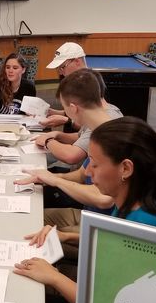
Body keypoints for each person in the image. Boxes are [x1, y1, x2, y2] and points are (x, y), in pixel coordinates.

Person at [13, 116, 156, 303]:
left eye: (96, 165)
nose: (88, 172)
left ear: (125, 169)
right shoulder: (135, 205)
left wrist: (53, 277)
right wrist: (67, 235)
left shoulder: (142, 228)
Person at [16, 69, 117, 231]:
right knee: (26, 219)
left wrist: (56, 181)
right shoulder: (99, 132)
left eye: (63, 107)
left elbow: (104, 199)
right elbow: (81, 174)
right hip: (89, 213)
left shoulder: (111, 138)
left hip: (107, 227)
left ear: (73, 108)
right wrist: (48, 177)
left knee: (29, 229)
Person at [40, 42, 88, 129]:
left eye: (62, 67)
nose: (60, 72)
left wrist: (66, 121)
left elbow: (93, 127)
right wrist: (51, 112)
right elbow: (75, 113)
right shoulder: (74, 83)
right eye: (58, 68)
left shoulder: (93, 87)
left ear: (77, 61)